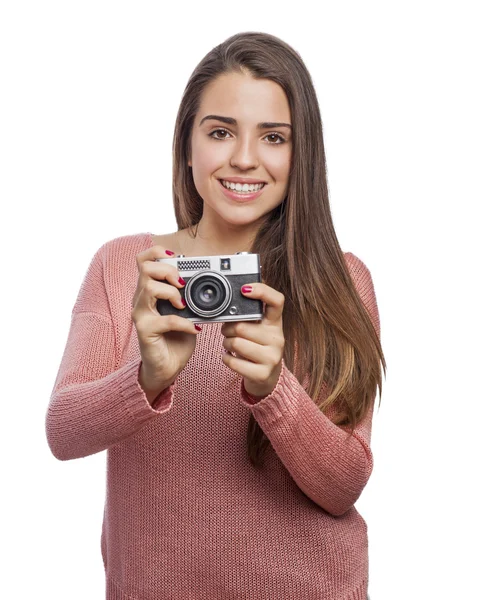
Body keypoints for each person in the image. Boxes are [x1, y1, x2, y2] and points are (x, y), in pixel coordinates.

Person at [45, 31, 385, 600]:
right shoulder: (128, 266)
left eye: (273, 137)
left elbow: (344, 485)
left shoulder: (340, 281)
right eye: (221, 131)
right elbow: (62, 432)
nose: (244, 158)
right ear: (187, 144)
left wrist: (275, 390)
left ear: (301, 155)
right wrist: (147, 377)